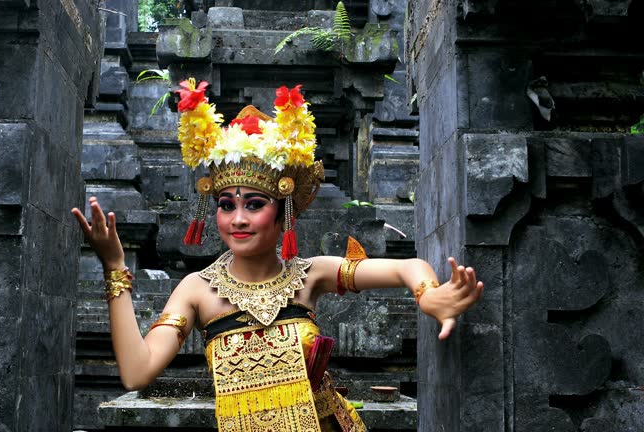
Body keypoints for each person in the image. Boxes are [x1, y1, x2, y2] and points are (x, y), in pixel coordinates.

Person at [71, 79, 483, 432]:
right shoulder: (196, 290)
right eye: (226, 205)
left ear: (283, 208)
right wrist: (115, 269)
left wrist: (428, 294)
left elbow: (408, 267)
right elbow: (136, 371)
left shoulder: (311, 276)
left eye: (254, 204)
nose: (237, 219)